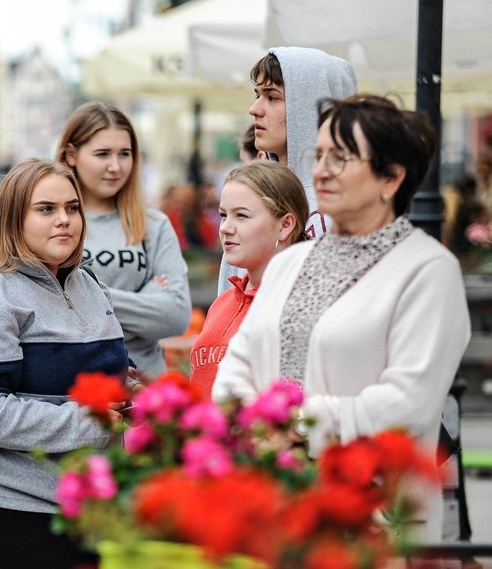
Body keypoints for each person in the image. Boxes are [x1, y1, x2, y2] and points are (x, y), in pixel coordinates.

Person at [213, 94, 471, 543]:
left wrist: (294, 427)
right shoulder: (290, 262)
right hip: (272, 498)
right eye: (320, 155)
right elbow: (238, 363)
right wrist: (259, 432)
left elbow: (408, 402)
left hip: (370, 512)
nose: (321, 170)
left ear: (392, 178)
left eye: (341, 158)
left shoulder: (428, 270)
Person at [0, 159, 130, 569]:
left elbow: (105, 374)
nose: (65, 220)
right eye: (46, 209)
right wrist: (89, 423)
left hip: (87, 505)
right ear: (12, 220)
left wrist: (136, 398)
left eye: (72, 208)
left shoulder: (87, 284)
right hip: (8, 506)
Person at [56, 102, 191, 378]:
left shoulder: (154, 225)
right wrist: (149, 297)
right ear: (71, 155)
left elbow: (176, 316)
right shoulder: (55, 223)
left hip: (147, 392)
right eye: (102, 154)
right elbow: (47, 313)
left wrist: (77, 296)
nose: (115, 166)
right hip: (77, 393)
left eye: (125, 154)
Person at [218, 47, 358, 293]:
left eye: (272, 97)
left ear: (310, 108)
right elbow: (229, 300)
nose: (255, 109)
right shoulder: (253, 193)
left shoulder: (343, 210)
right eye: (257, 95)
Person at [190, 161, 308, 398]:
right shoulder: (223, 302)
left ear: (285, 225)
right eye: (223, 215)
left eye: (241, 216)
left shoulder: (299, 305)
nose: (225, 228)